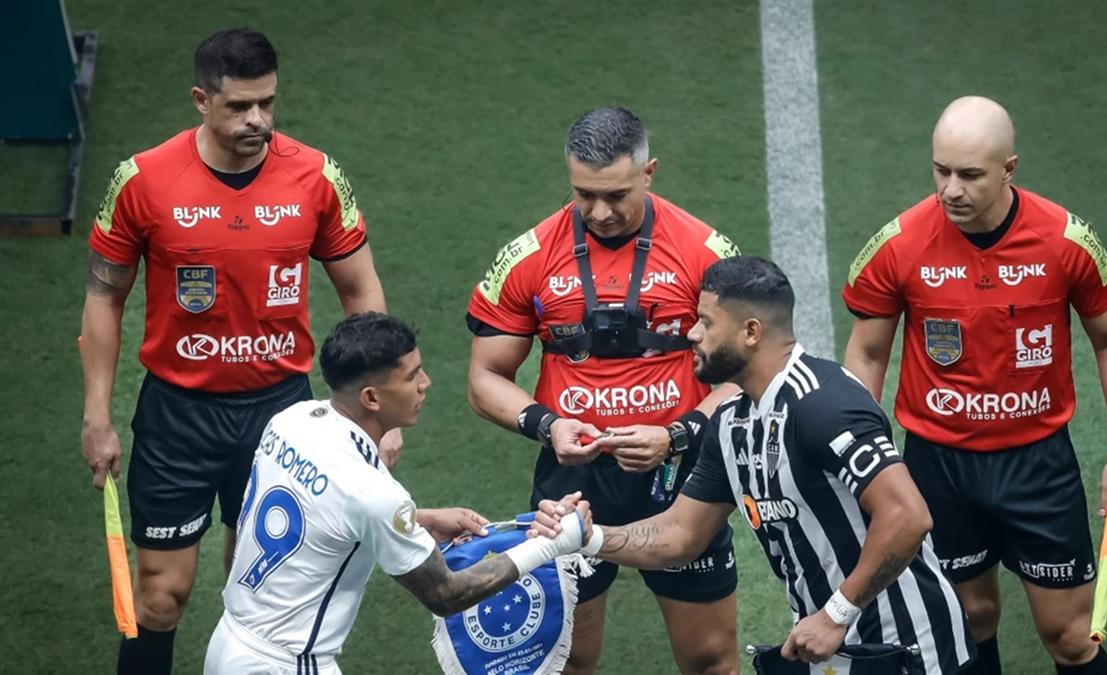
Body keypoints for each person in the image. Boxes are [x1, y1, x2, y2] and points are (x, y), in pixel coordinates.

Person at [80, 28, 392, 674]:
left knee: (263, 597)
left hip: (281, 414)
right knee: (159, 598)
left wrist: (377, 413)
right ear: (201, 99)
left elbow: (362, 293)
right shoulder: (143, 180)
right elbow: (104, 297)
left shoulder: (315, 175)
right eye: (239, 106)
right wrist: (97, 414)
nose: (258, 120)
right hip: (178, 415)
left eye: (268, 103)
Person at [534, 256, 976, 674]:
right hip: (830, 649)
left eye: (706, 322)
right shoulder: (731, 423)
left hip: (912, 651)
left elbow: (907, 515)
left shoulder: (824, 403)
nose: (691, 334)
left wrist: (837, 612)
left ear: (750, 331)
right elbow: (679, 534)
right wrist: (589, 537)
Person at [841, 96, 1107, 675]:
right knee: (968, 619)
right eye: (941, 170)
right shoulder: (900, 243)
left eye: (970, 175)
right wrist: (864, 460)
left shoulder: (1066, 240)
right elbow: (868, 351)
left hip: (1036, 464)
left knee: (1071, 635)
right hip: (938, 466)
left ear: (1009, 168)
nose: (950, 189)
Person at [465, 106, 743, 674]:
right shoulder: (529, 256)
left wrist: (677, 433)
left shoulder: (705, 253)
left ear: (649, 172)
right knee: (567, 662)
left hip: (682, 474)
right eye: (583, 194)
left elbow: (747, 372)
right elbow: (484, 377)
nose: (599, 212)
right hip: (571, 481)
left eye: (615, 195)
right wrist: (548, 426)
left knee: (712, 660)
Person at [205, 312, 588, 674]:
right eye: (411, 376)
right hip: (288, 663)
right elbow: (446, 593)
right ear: (372, 398)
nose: (426, 383)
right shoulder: (372, 493)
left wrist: (422, 519)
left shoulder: (290, 421)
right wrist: (554, 545)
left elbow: (322, 509)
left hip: (229, 641)